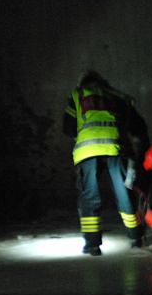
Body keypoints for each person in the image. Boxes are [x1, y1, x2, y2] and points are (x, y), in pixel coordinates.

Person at [63, 71, 147, 255]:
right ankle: (136, 237)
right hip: (116, 148)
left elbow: (68, 128)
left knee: (90, 195)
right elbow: (137, 127)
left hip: (87, 151)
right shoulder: (116, 96)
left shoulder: (78, 95)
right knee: (124, 192)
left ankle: (93, 245)